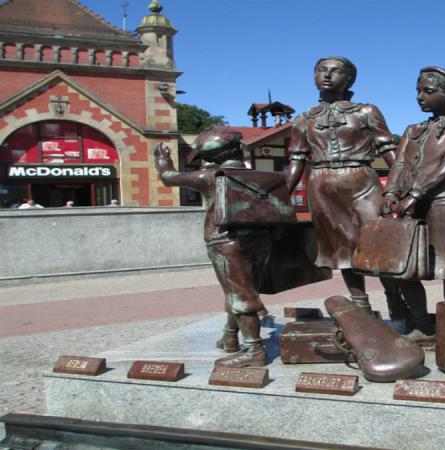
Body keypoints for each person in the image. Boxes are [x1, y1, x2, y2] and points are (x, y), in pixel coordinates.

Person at [286, 56, 402, 313]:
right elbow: (296, 158)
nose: (327, 75)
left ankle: (396, 301)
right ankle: (360, 304)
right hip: (322, 186)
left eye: (335, 71)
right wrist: (284, 193)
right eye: (321, 70)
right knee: (343, 249)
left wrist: (401, 184)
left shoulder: (366, 111)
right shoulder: (304, 119)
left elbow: (387, 147)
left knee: (379, 240)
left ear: (350, 79)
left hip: (362, 181)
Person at [154, 127, 276, 368]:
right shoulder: (259, 176)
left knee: (240, 295)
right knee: (245, 291)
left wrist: (162, 159)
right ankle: (230, 337)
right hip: (261, 239)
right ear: (239, 150)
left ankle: (254, 350)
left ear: (208, 157)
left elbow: (168, 177)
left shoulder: (208, 177)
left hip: (226, 242)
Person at [383, 66, 445, 337]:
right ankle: (422, 323)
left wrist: (415, 194)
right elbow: (399, 163)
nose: (420, 97)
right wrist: (391, 193)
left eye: (428, 91)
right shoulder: (413, 129)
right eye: (418, 91)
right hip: (409, 202)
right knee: (406, 266)